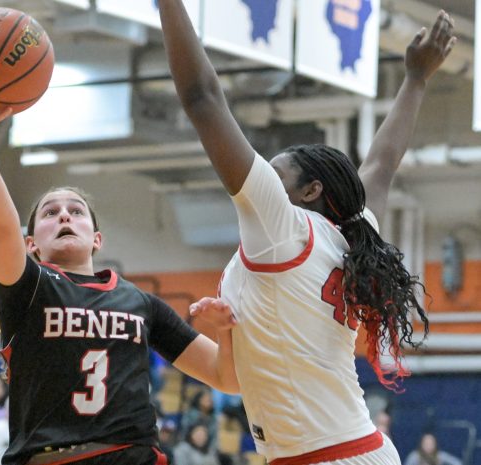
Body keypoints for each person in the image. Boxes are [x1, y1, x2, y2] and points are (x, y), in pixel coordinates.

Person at [158, 2, 455, 464]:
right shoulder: (352, 234)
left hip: (329, 454)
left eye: (275, 175)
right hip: (350, 450)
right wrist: (416, 79)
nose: (262, 182)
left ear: (311, 189)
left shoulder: (284, 229)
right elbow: (379, 165)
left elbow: (203, 98)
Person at [0, 77, 238, 465]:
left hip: (131, 455)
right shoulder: (28, 287)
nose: (64, 214)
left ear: (97, 239)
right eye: (50, 213)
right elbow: (1, 226)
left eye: (76, 211)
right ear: (30, 243)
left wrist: (225, 331)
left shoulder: (141, 303)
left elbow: (227, 379)